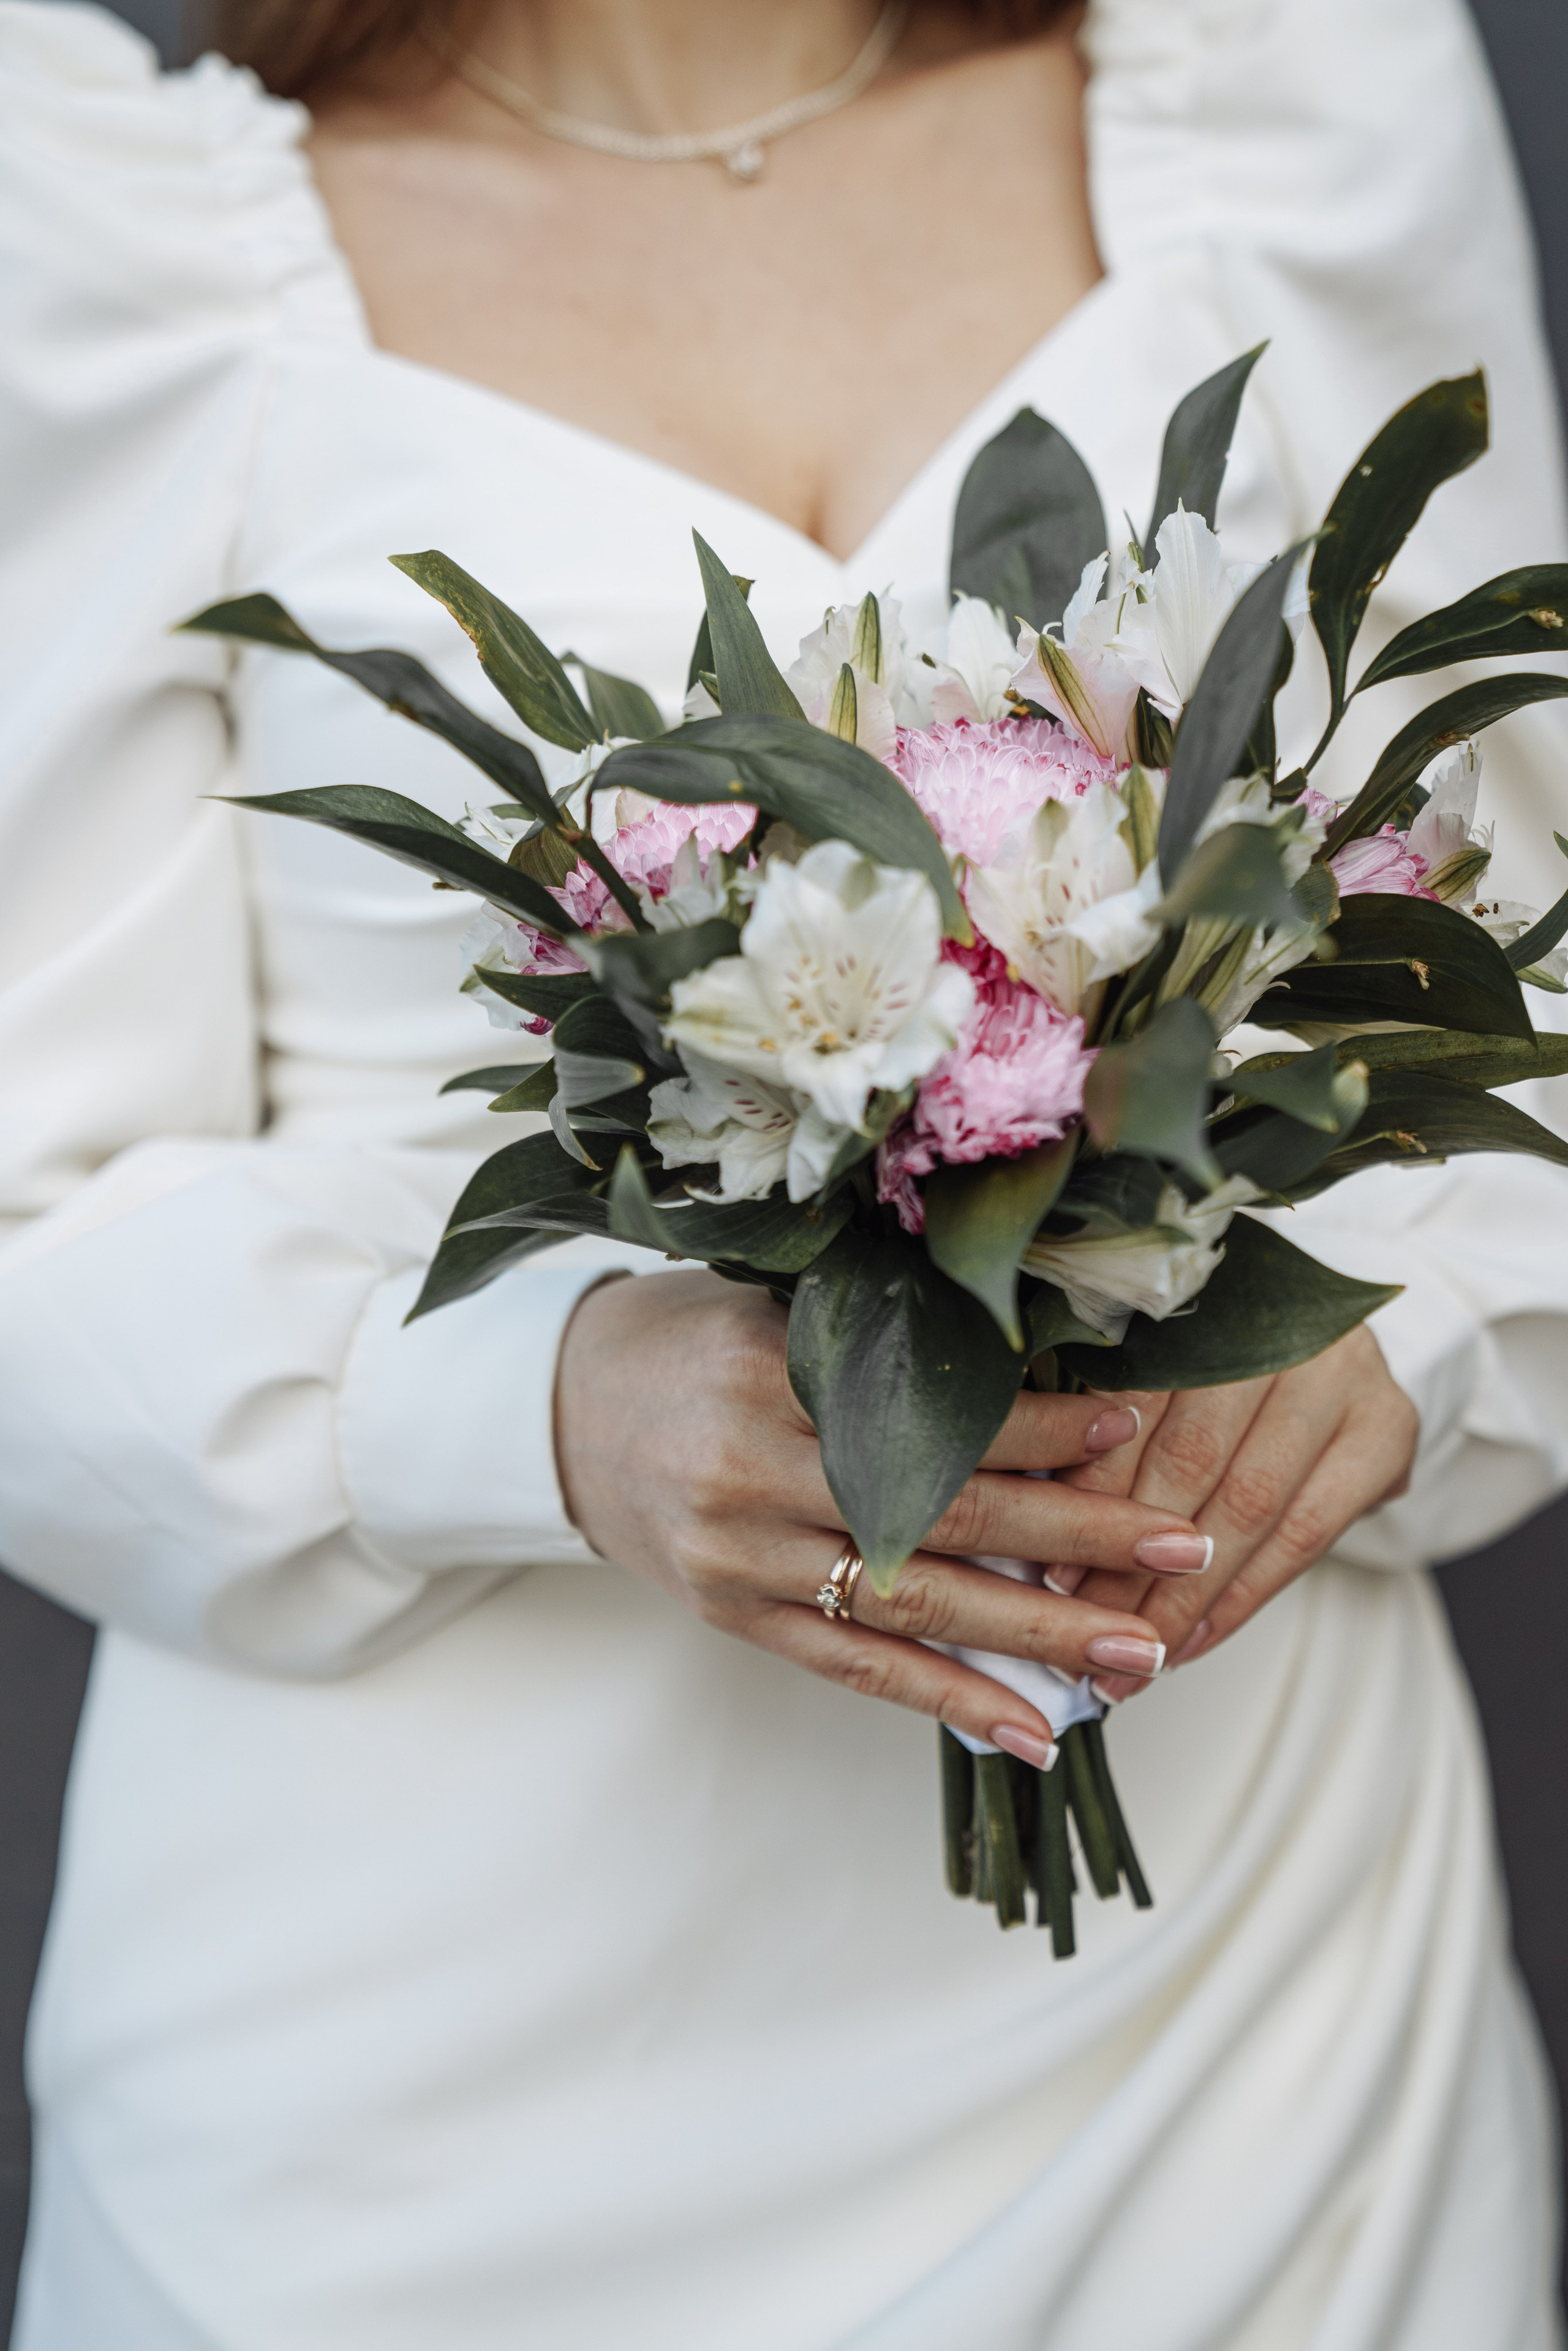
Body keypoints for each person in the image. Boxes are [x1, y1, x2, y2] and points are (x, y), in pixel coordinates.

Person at [1, 0, 1566, 2341]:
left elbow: (1529, 981)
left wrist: (1402, 1339)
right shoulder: (107, 229)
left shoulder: (1290, 92)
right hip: (422, 2112)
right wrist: (551, 1406)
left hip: (1241, 2039)